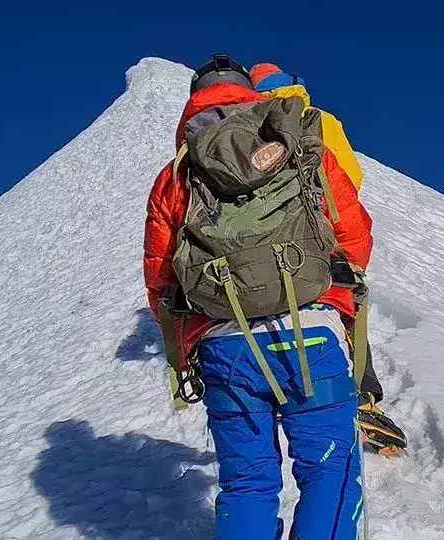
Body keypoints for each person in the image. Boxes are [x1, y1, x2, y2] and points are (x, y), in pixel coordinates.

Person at [144, 54, 369, 539]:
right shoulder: (299, 142)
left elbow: (162, 278)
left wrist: (183, 352)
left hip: (224, 346)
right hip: (312, 328)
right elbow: (354, 234)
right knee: (330, 471)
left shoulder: (177, 175)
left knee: (247, 483)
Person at [249, 63, 408, 455]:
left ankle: (268, 393)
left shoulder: (248, 123)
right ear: (292, 85)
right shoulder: (318, 119)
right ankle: (361, 399)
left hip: (263, 238)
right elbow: (348, 177)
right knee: (345, 305)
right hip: (321, 231)